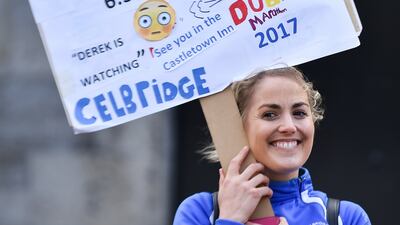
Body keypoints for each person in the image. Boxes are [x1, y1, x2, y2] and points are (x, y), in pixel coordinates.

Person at [173, 67, 371, 225]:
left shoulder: (346, 218)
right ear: (239, 127)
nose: (288, 126)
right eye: (270, 114)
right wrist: (230, 220)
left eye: (299, 113)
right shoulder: (200, 211)